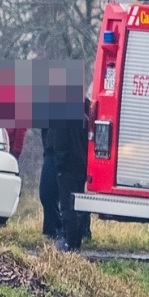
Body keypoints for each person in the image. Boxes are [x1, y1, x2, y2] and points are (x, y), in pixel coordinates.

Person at [44, 99, 91, 252]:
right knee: (78, 205)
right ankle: (77, 241)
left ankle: (68, 242)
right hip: (81, 166)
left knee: (67, 206)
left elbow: (60, 144)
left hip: (67, 167)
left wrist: (59, 165)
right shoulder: (85, 118)